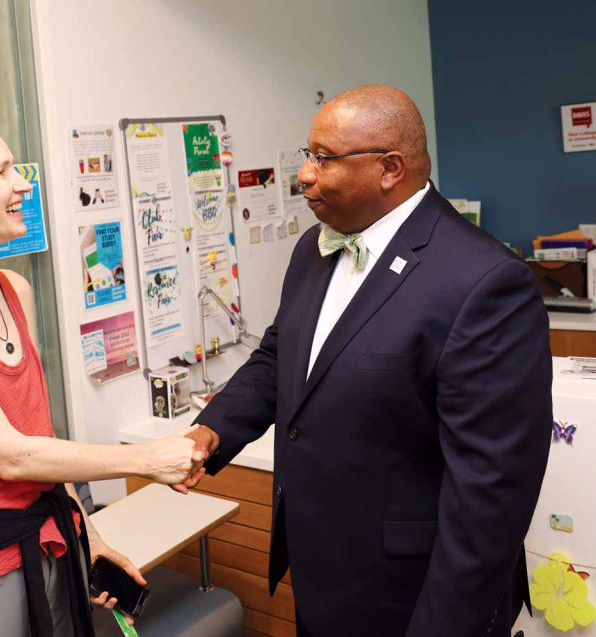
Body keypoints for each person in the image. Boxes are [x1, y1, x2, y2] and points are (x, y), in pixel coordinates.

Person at [180, 85, 553, 636]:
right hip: (324, 574)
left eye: (323, 158)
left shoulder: (484, 281)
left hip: (415, 595)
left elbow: (490, 495)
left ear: (389, 168)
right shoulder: (314, 249)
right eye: (307, 155)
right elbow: (279, 358)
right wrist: (208, 433)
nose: (303, 174)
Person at [0, 111, 200, 637]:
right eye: (1, 172)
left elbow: (37, 441)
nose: (22, 183)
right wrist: (146, 459)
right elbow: (10, 455)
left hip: (54, 541)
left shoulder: (13, 290)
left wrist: (90, 537)